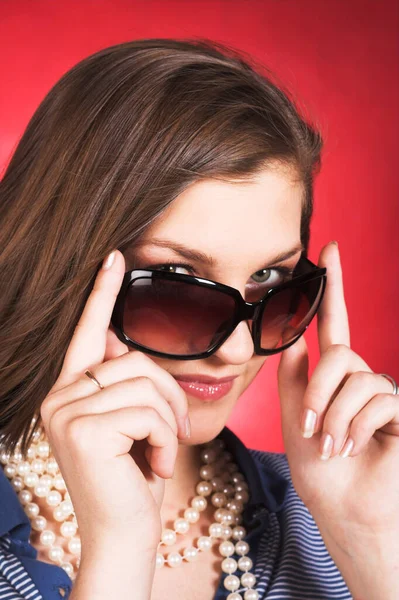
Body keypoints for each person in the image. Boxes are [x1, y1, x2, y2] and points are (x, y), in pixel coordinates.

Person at [0, 38, 398, 600]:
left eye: (272, 283)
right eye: (179, 288)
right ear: (63, 265)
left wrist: (373, 545)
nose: (235, 351)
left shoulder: (343, 504)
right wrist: (118, 551)